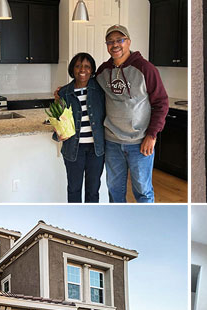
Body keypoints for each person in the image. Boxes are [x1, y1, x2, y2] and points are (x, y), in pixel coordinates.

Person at [95, 25, 169, 202]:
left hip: (140, 142)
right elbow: (90, 91)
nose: (115, 45)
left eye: (120, 40)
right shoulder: (103, 71)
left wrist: (152, 135)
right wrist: (65, 91)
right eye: (110, 41)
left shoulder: (146, 69)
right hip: (112, 142)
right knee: (114, 190)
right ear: (106, 45)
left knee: (143, 191)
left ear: (128, 42)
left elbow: (161, 103)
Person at [53, 52, 106, 202]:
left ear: (92, 70)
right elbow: (59, 119)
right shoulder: (64, 92)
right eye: (78, 66)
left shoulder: (100, 90)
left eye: (87, 66)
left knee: (93, 190)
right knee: (74, 189)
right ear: (72, 69)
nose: (82, 69)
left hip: (96, 150)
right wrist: (58, 133)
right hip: (73, 149)